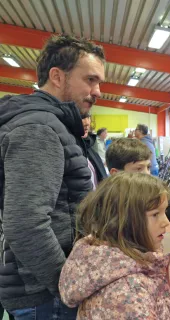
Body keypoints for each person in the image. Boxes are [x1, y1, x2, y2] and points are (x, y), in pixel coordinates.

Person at [0, 34, 104, 317]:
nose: (98, 91)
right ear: (57, 76)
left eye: (99, 82)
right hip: (45, 297)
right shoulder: (39, 129)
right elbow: (26, 223)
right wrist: (66, 284)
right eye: (90, 80)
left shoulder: (55, 125)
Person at [59, 172, 170, 319]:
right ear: (125, 222)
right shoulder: (127, 294)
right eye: (155, 214)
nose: (166, 222)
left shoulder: (108, 260)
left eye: (164, 211)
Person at [82, 115, 108, 189]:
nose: (87, 122)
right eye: (82, 117)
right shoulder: (95, 142)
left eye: (88, 118)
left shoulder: (89, 145)